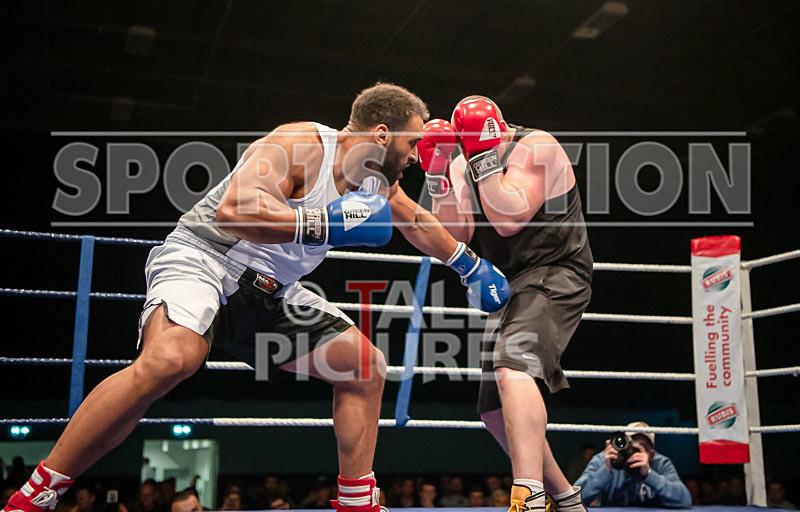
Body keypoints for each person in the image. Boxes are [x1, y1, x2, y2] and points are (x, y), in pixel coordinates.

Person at [3, 83, 509, 512]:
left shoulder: (378, 181)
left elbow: (416, 221)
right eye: (414, 141)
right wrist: (322, 222)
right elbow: (234, 211)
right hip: (206, 259)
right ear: (383, 133)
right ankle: (37, 493)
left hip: (271, 294)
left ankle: (356, 501)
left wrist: (467, 263)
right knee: (169, 360)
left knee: (364, 367)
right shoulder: (301, 143)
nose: (418, 155)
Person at [419, 96, 593, 512]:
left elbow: (508, 217)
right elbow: (455, 233)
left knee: (512, 366)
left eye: (476, 143)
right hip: (510, 283)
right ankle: (566, 499)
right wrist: (438, 174)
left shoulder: (537, 146)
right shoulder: (461, 156)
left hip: (557, 270)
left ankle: (528, 496)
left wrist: (481, 157)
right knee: (494, 410)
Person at [574, 421, 691, 508]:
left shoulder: (660, 463)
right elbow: (574, 499)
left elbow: (684, 500)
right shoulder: (606, 459)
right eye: (631, 446)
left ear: (651, 454)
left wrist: (649, 475)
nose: (634, 453)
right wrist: (606, 470)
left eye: (642, 448)